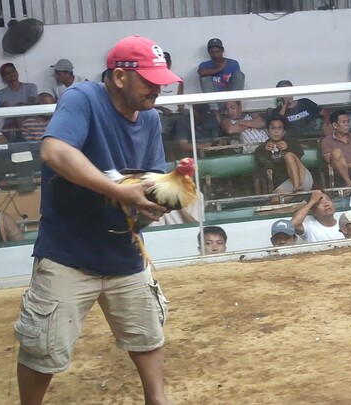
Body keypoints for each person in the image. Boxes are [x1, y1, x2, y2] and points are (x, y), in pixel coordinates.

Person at [15, 35, 180, 405]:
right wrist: (122, 192)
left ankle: (157, 400)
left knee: (147, 334)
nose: (158, 88)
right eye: (150, 79)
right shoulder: (82, 98)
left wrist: (162, 197)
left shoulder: (150, 119)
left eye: (161, 80)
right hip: (68, 254)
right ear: (120, 77)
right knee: (43, 349)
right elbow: (54, 151)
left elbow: (150, 178)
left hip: (124, 250)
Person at [254, 115, 313, 199]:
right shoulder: (260, 149)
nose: (276, 131)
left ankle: (297, 189)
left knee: (288, 155)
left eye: (279, 128)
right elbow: (264, 168)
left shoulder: (291, 142)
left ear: (284, 132)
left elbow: (300, 154)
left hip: (302, 179)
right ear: (267, 131)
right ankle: (297, 203)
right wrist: (266, 151)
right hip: (285, 183)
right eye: (273, 128)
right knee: (275, 201)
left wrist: (288, 147)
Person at [321, 110, 351, 187]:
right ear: (335, 125)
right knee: (336, 152)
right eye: (344, 122)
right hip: (340, 174)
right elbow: (332, 164)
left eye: (348, 121)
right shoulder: (327, 141)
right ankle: (348, 184)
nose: (347, 124)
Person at [198, 38, 245, 111]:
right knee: (204, 78)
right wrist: (220, 68)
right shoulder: (205, 65)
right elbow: (202, 73)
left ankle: (234, 106)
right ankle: (214, 110)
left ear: (222, 51)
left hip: (229, 98)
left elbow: (238, 79)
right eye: (212, 52)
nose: (215, 55)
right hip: (214, 100)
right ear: (209, 53)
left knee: (239, 75)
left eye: (217, 51)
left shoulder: (233, 63)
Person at [156, 52, 187, 141]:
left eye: (167, 63)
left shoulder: (178, 79)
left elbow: (180, 98)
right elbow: (151, 101)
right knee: (160, 122)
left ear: (170, 64)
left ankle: (183, 144)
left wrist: (181, 108)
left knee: (187, 115)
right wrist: (162, 108)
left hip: (176, 112)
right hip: (161, 112)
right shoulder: (153, 80)